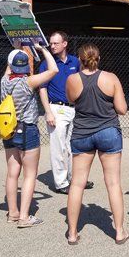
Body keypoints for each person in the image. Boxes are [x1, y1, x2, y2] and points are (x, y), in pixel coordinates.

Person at [65, 44, 128, 246]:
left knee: (77, 183)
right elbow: (122, 109)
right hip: (108, 131)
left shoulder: (72, 80)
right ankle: (119, 231)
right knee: (113, 183)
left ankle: (73, 233)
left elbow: (71, 100)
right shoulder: (111, 78)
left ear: (80, 59)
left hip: (82, 133)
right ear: (98, 58)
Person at [1, 45, 58, 227]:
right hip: (27, 129)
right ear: (26, 66)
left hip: (8, 129)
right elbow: (53, 69)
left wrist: (16, 49)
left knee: (12, 174)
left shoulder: (4, 81)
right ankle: (25, 217)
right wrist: (44, 50)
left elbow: (9, 67)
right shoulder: (28, 82)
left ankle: (13, 213)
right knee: (30, 174)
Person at [38, 30, 93, 195]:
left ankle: (75, 179)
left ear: (65, 44)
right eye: (51, 43)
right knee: (58, 147)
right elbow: (42, 89)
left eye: (55, 43)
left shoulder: (75, 62)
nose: (52, 46)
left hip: (73, 109)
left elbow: (83, 81)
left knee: (73, 147)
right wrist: (48, 112)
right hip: (56, 109)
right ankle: (61, 183)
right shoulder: (46, 64)